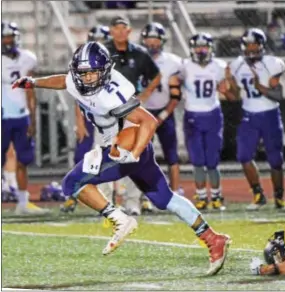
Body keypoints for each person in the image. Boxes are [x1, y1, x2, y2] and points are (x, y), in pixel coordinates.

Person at [12, 41, 231, 275]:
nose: (86, 79)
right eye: (82, 73)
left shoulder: (111, 94)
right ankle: (212, 238)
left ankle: (120, 219)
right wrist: (34, 83)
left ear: (104, 71)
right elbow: (63, 81)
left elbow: (149, 121)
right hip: (124, 147)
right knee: (163, 198)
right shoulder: (77, 81)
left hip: (126, 146)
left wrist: (132, 154)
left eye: (92, 73)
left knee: (71, 184)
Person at [224, 28, 285, 211]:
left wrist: (261, 87)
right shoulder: (236, 65)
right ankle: (258, 194)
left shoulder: (273, 63)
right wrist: (227, 89)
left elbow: (278, 94)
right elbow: (235, 97)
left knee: (275, 159)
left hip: (270, 114)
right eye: (248, 45)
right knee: (244, 156)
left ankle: (279, 197)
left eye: (255, 44)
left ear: (262, 45)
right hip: (249, 115)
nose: (251, 48)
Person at [104, 16, 162, 215]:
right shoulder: (102, 52)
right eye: (116, 28)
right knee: (105, 156)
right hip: (106, 110)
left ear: (129, 31)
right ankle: (106, 204)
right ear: (111, 30)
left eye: (123, 28)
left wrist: (144, 94)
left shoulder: (139, 53)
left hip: (131, 111)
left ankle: (132, 202)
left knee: (131, 156)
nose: (120, 32)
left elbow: (156, 75)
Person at [61, 24, 112, 213]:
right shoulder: (83, 62)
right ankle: (73, 196)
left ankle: (108, 199)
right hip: (90, 117)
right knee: (81, 156)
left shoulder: (111, 64)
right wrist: (80, 122)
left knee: (108, 160)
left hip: (107, 120)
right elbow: (78, 96)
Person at [1, 21, 49, 214]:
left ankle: (22, 203)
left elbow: (30, 91)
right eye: (4, 37)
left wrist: (33, 118)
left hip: (21, 116)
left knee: (24, 160)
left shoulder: (27, 58)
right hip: (3, 116)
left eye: (10, 37)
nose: (7, 41)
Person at [179, 32, 227, 210]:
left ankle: (216, 196)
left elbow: (226, 89)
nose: (201, 50)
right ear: (192, 49)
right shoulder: (184, 66)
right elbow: (175, 83)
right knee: (197, 160)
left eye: (204, 47)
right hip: (192, 115)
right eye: (198, 47)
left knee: (212, 160)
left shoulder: (220, 66)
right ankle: (201, 196)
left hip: (213, 114)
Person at [140, 22, 184, 202]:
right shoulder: (136, 59)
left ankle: (174, 195)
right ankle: (145, 195)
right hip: (143, 113)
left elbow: (176, 95)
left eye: (155, 40)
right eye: (149, 40)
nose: (152, 44)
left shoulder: (172, 62)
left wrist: (163, 116)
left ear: (162, 41)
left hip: (165, 113)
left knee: (172, 156)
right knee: (143, 157)